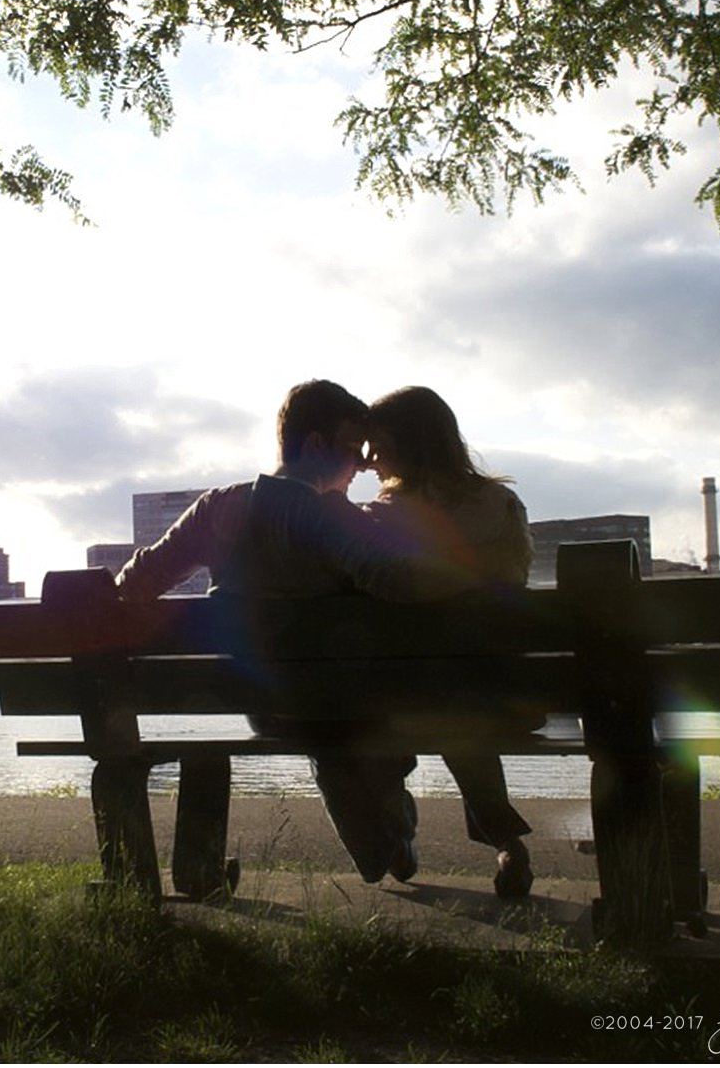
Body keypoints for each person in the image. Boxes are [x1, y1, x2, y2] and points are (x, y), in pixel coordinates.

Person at [114, 379, 425, 883]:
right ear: (317, 444)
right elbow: (396, 579)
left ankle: (377, 845)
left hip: (266, 706)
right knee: (357, 722)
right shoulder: (334, 517)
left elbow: (135, 585)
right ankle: (387, 830)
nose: (362, 466)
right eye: (354, 450)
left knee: (319, 729)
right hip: (349, 699)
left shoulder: (218, 508)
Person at [359, 385, 536, 898]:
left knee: (417, 713)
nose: (370, 461)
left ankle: (396, 832)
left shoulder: (381, 519)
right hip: (505, 695)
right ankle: (506, 842)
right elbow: (514, 588)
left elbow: (377, 590)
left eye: (378, 446)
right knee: (458, 715)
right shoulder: (503, 504)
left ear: (406, 445)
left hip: (405, 700)